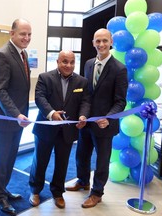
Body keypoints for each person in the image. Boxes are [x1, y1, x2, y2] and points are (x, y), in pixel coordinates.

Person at [65, 28, 128, 208]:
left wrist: (108, 118)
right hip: (86, 121)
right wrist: (81, 114)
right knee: (81, 155)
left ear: (111, 43)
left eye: (104, 41)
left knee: (101, 161)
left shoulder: (119, 69)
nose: (101, 44)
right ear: (93, 43)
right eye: (97, 41)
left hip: (104, 125)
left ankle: (97, 193)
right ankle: (83, 181)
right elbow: (87, 94)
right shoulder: (88, 64)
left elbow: (120, 101)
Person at [28, 50, 91, 209]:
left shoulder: (82, 82)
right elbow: (39, 98)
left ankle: (57, 192)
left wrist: (83, 116)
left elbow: (85, 102)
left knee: (62, 163)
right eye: (64, 61)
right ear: (57, 62)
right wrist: (51, 113)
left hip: (67, 131)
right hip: (46, 129)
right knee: (40, 161)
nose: (68, 65)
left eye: (71, 62)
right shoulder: (45, 78)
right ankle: (35, 190)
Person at [0, 18, 32, 216]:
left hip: (16, 119)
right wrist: (16, 114)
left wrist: (20, 115)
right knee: (1, 160)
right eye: (22, 34)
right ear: (12, 34)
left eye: (29, 34)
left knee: (10, 158)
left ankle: (3, 190)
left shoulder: (22, 54)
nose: (26, 38)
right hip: (3, 119)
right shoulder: (2, 55)